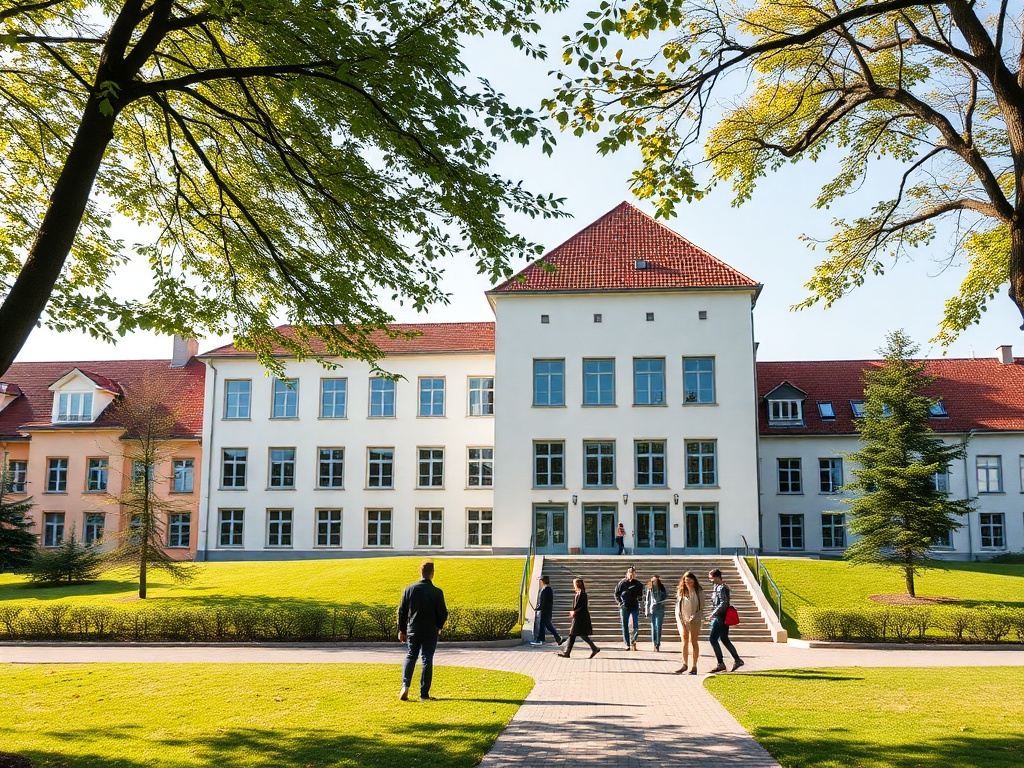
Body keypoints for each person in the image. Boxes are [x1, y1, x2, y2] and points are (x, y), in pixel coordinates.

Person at [397, 560, 449, 701]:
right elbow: (443, 613)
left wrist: (402, 630)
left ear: (421, 572)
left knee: (411, 656)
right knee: (427, 659)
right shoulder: (437, 592)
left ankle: (405, 685)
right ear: (432, 574)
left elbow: (402, 611)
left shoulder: (409, 589)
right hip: (430, 630)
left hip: (413, 629)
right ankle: (424, 694)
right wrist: (438, 626)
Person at [705, 568, 744, 673]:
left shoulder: (722, 588)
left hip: (721, 617)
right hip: (719, 616)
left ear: (716, 577)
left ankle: (721, 663)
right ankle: (737, 660)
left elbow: (724, 603)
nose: (710, 580)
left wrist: (713, 614)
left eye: (711, 577)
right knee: (724, 639)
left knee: (713, 639)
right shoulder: (717, 587)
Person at [556, 577, 600, 659]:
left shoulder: (582, 594)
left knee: (573, 634)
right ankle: (594, 648)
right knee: (580, 635)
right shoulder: (580, 594)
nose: (573, 586)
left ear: (577, 585)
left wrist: (574, 611)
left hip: (580, 618)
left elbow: (579, 606)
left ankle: (567, 652)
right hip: (580, 617)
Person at [674, 571, 703, 675]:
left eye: (690, 580)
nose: (688, 583)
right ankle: (684, 664)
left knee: (694, 641)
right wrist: (681, 618)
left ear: (694, 580)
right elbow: (678, 606)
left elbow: (701, 606)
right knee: (684, 639)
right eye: (686, 581)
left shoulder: (699, 591)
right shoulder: (681, 590)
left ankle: (694, 666)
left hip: (695, 618)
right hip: (682, 617)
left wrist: (695, 616)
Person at [614, 566, 644, 650]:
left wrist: (640, 598)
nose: (631, 576)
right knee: (625, 625)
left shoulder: (637, 584)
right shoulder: (622, 583)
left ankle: (633, 640)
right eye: (630, 574)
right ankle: (627, 644)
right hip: (625, 607)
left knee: (635, 625)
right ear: (627, 574)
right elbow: (616, 593)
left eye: (633, 574)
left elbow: (642, 593)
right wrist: (620, 602)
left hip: (634, 606)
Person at [530, 574, 564, 646]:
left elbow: (544, 601)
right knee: (542, 625)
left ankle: (557, 638)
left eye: (540, 580)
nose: (540, 582)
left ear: (542, 581)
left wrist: (539, 607)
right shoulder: (547, 589)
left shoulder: (546, 589)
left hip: (546, 611)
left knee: (548, 625)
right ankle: (541, 639)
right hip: (546, 610)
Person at [643, 575, 668, 651]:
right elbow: (647, 600)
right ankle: (654, 643)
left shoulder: (662, 588)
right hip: (652, 608)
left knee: (658, 626)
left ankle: (658, 643)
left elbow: (666, 596)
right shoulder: (649, 589)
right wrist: (646, 611)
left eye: (656, 580)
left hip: (660, 607)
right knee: (653, 626)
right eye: (653, 581)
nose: (655, 582)